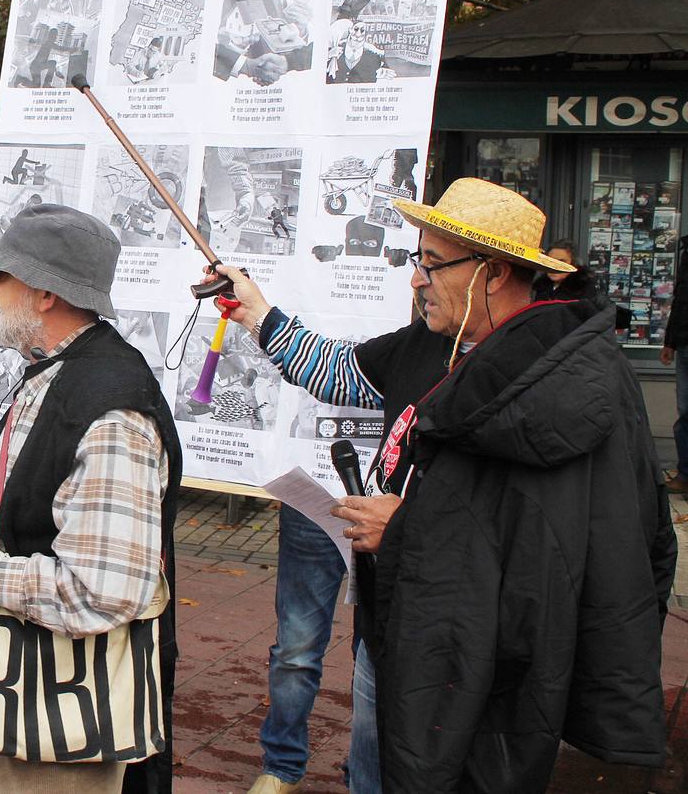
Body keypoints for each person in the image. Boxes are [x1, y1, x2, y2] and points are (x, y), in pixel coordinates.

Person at [208, 178, 674, 792]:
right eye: (414, 261)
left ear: (494, 272)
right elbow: (338, 370)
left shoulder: (551, 379)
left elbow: (543, 545)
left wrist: (401, 530)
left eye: (431, 264)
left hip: (476, 666)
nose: (415, 279)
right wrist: (256, 313)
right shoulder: (433, 344)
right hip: (399, 627)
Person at [0, 203, 182, 792]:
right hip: (12, 676)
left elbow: (104, 591)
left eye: (2, 275)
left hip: (60, 707)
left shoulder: (112, 413)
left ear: (44, 294)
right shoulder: (54, 368)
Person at [537, 239, 631, 331]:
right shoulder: (541, 288)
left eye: (561, 261)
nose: (555, 265)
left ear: (573, 264)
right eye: (550, 261)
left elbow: (619, 318)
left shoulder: (584, 289)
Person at [662, 235, 688, 494]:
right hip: (685, 342)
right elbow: (681, 299)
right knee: (685, 411)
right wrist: (670, 341)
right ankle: (685, 474)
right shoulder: (687, 249)